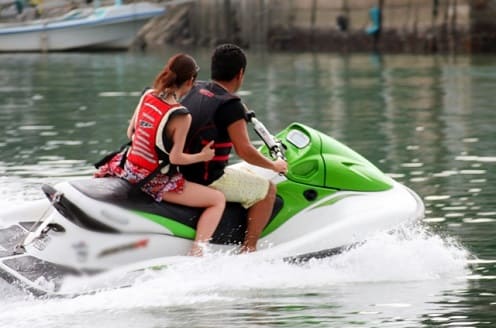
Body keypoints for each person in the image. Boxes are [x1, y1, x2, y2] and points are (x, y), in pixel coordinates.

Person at [95, 53, 225, 256]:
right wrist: (203, 156)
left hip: (127, 168)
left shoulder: (148, 96)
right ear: (191, 80)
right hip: (152, 180)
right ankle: (198, 252)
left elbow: (131, 133)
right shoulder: (181, 115)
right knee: (217, 199)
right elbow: (176, 158)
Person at [180, 44, 288, 253]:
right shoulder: (230, 106)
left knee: (246, 172)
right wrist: (274, 165)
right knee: (267, 190)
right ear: (240, 74)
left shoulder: (196, 88)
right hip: (207, 178)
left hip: (184, 169)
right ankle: (249, 249)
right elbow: (245, 150)